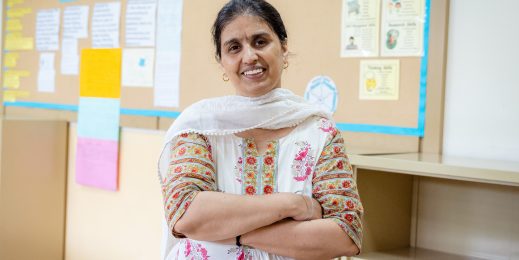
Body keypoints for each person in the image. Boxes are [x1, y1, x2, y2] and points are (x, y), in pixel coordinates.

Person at [158, 0, 363, 259]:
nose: (250, 56)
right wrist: (293, 204)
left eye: (260, 42)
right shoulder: (200, 128)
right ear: (222, 61)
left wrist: (233, 232)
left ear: (283, 48)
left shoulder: (319, 132)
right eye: (234, 47)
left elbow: (346, 233)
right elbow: (185, 214)